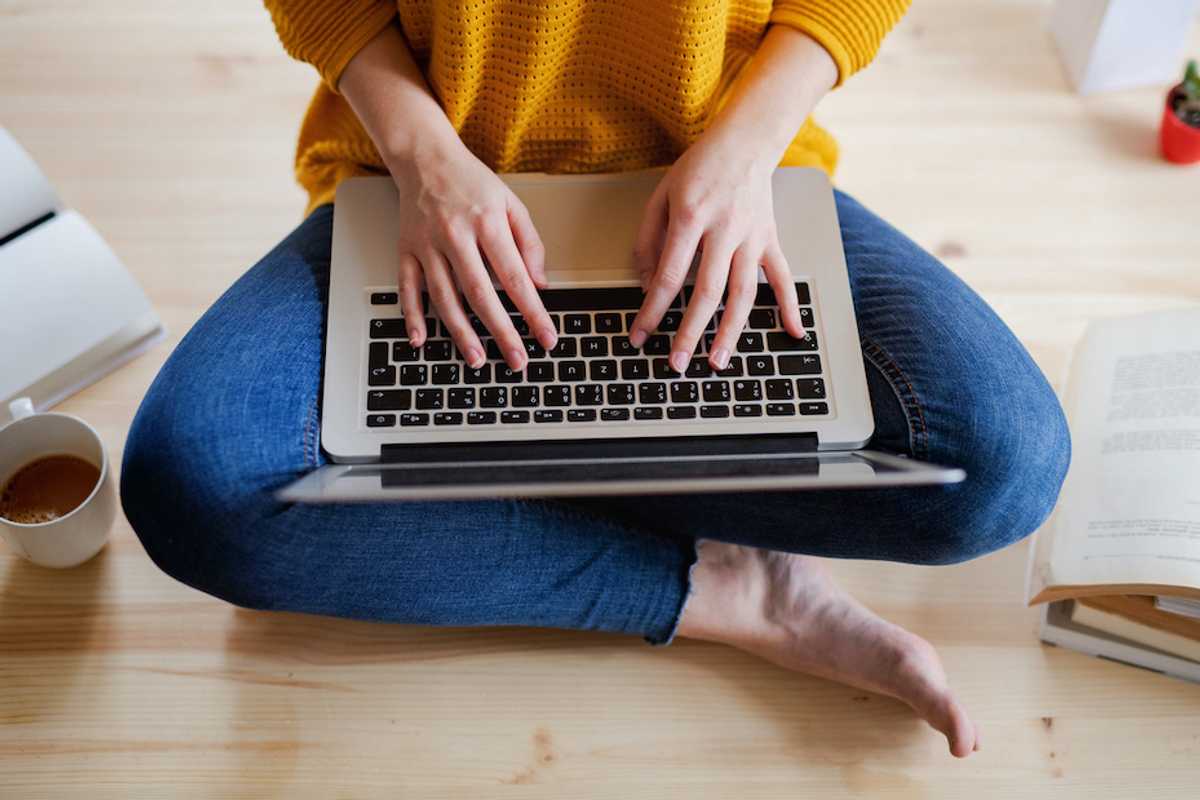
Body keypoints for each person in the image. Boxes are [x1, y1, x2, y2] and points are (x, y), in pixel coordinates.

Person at [120, 0, 1071, 758]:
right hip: (427, 179)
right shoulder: (423, 168)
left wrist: (743, 153)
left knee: (1004, 467)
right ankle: (715, 584)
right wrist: (425, 160)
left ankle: (527, 477)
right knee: (192, 487)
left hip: (721, 175)